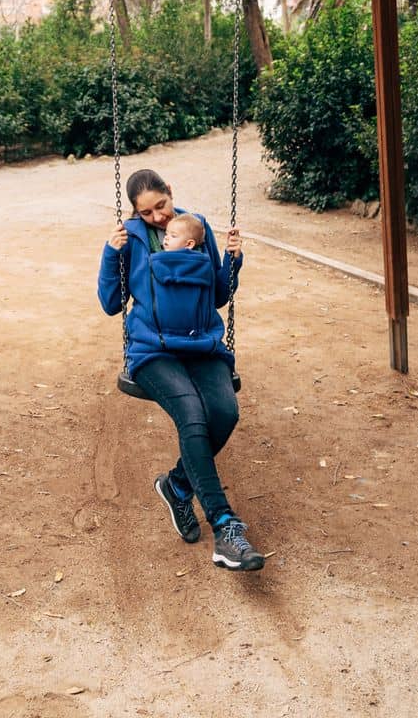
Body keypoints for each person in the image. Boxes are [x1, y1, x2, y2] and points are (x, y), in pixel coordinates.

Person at [97, 167, 264, 573]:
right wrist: (110, 252)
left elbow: (218, 295)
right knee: (191, 413)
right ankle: (225, 526)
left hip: (201, 343)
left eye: (162, 206)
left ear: (171, 193)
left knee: (224, 413)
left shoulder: (196, 228)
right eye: (147, 212)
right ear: (136, 213)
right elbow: (110, 303)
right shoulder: (130, 238)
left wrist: (234, 261)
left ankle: (177, 485)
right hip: (153, 350)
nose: (158, 217)